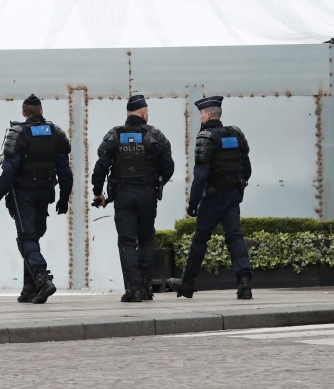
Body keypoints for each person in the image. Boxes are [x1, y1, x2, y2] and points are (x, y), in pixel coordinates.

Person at [167, 96, 253, 300]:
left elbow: (201, 176)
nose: (200, 118)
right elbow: (247, 168)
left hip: (213, 197)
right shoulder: (235, 134)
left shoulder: (206, 137)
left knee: (200, 239)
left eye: (201, 115)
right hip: (233, 195)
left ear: (207, 115)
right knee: (235, 236)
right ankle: (244, 283)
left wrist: (192, 204)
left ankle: (186, 285)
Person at [92, 94, 174, 302]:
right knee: (146, 240)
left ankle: (133, 289)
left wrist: (98, 192)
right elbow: (168, 165)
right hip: (147, 194)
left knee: (127, 242)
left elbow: (101, 165)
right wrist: (158, 180)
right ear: (144, 113)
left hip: (123, 194)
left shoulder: (114, 135)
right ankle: (146, 287)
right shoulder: (154, 135)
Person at [0, 94, 71, 304]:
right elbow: (65, 170)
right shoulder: (56, 133)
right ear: (42, 112)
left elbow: (8, 170)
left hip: (23, 194)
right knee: (33, 238)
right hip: (45, 192)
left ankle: (43, 280)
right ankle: (30, 287)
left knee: (27, 239)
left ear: (23, 113)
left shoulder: (18, 133)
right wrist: (64, 197)